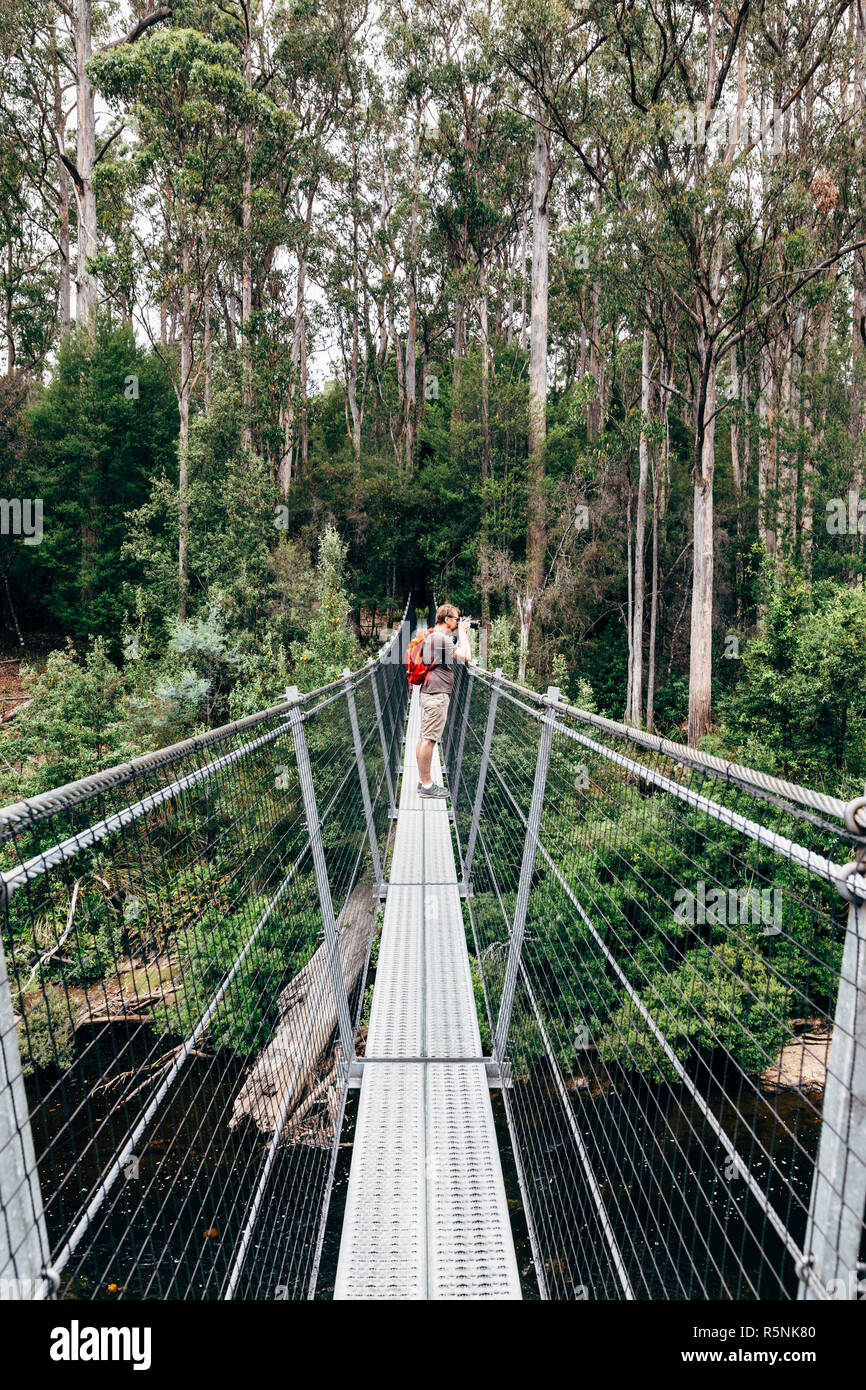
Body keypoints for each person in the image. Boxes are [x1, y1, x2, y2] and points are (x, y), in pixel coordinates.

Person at [416, 603, 471, 798]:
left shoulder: (435, 636)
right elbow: (466, 656)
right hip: (436, 695)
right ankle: (427, 786)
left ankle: (423, 781)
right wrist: (463, 633)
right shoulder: (440, 638)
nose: (458, 621)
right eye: (456, 618)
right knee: (429, 740)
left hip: (430, 692)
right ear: (447, 619)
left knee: (424, 738)